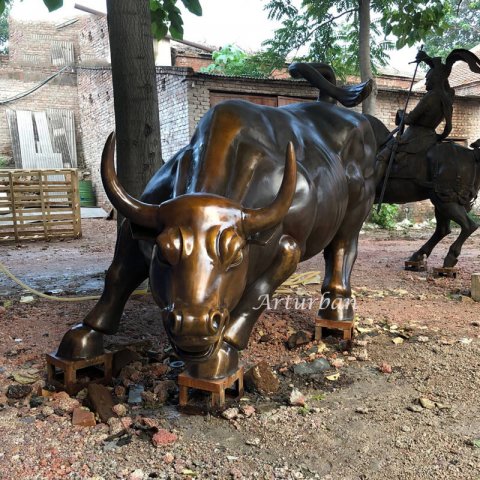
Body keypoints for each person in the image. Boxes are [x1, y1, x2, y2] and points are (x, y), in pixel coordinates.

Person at [377, 50, 454, 169]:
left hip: (415, 137)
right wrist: (428, 60)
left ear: (434, 80)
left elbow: (409, 119)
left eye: (428, 80)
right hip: (431, 137)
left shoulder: (431, 96)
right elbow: (448, 128)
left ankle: (372, 186)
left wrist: (401, 113)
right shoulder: (447, 97)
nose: (426, 83)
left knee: (382, 156)